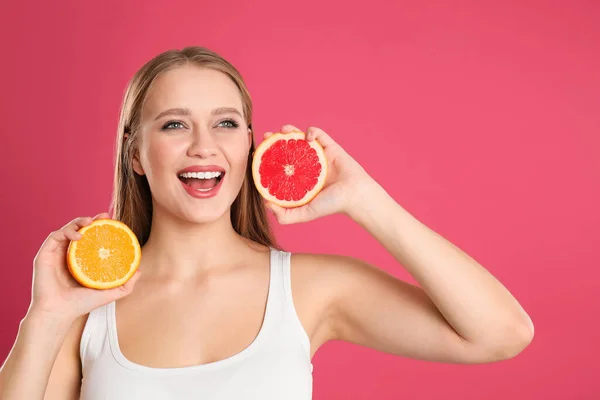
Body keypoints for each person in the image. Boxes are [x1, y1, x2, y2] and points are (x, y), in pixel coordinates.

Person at [0, 46, 534, 399]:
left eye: (226, 123)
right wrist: (44, 314)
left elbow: (500, 334)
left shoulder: (310, 289)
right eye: (174, 124)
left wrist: (366, 200)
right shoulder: (85, 301)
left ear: (250, 143)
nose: (204, 146)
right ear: (135, 153)